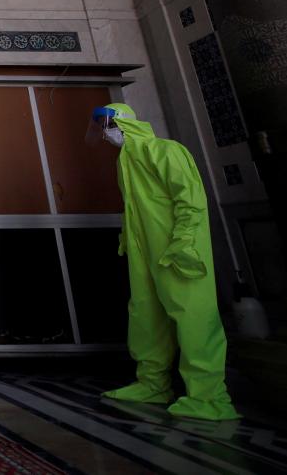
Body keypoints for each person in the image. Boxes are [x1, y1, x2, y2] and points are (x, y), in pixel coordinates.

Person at [89, 103, 239, 421]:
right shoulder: (125, 161)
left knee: (193, 316)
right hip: (145, 253)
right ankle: (153, 383)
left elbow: (191, 200)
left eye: (108, 124)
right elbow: (136, 208)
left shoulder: (165, 151)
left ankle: (210, 397)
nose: (105, 133)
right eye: (102, 126)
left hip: (177, 249)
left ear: (124, 124)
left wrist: (184, 242)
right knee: (146, 317)